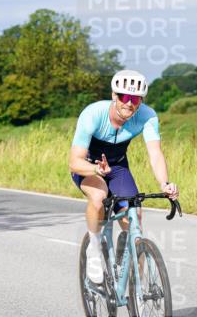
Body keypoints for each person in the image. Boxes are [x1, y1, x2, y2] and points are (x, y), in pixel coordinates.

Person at [68, 70, 179, 283]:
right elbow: (74, 161)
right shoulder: (93, 114)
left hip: (118, 168)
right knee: (99, 195)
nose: (129, 103)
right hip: (89, 166)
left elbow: (155, 154)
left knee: (134, 215)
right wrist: (95, 170)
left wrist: (165, 183)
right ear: (114, 96)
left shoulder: (147, 116)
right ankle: (94, 247)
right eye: (124, 97)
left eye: (135, 99)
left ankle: (135, 286)